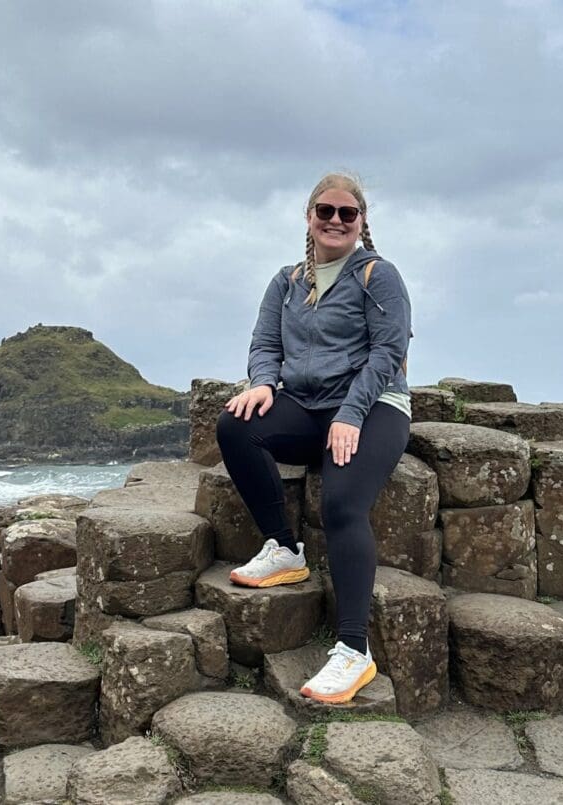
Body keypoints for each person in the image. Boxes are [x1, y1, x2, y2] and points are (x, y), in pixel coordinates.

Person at [214, 172, 412, 704]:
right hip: (307, 406)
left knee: (343, 504)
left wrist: (352, 413)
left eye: (348, 213)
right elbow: (264, 343)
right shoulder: (287, 280)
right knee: (235, 424)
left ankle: (354, 651)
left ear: (362, 221)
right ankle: (284, 548)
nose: (336, 221)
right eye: (325, 211)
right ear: (309, 217)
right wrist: (260, 385)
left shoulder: (377, 275)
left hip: (374, 407)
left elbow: (387, 352)